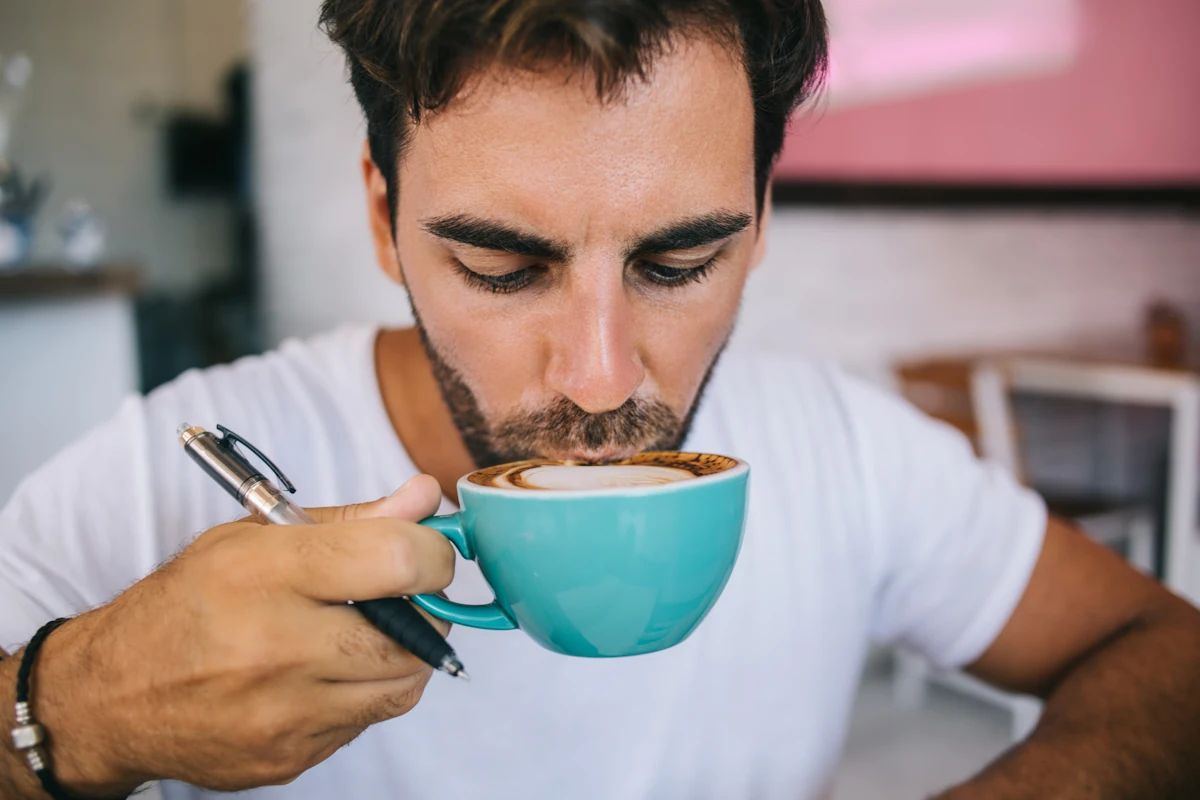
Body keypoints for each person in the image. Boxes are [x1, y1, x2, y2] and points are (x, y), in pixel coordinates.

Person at [2, 1, 1199, 798]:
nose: (601, 376)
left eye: (677, 264)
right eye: (502, 266)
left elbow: (1169, 650)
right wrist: (79, 702)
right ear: (382, 216)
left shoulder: (849, 448)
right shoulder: (162, 471)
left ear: (762, 218)